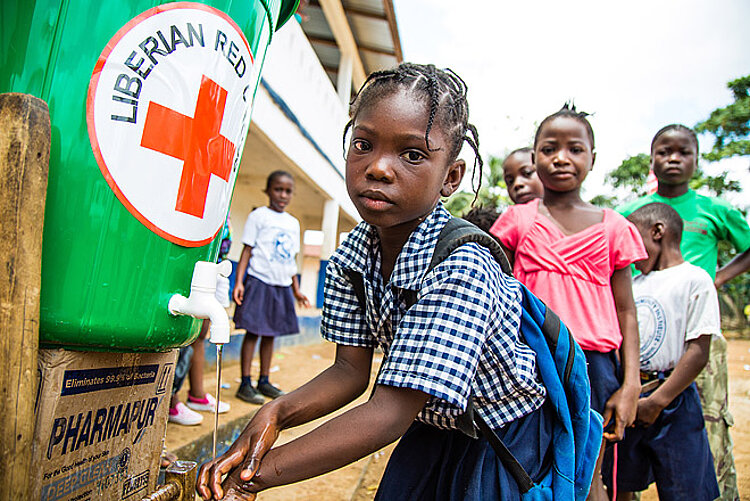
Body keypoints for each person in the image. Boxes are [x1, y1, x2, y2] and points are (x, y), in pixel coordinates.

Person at [197, 63, 553, 501]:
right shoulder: (354, 254)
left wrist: (253, 476)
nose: (379, 168)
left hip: (502, 438)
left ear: (452, 177)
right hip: (430, 427)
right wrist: (277, 411)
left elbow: (386, 414)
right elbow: (350, 371)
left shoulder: (462, 266)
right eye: (363, 145)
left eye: (412, 154)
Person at [489, 104, 646, 500]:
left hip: (596, 368)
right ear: (535, 155)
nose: (561, 158)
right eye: (549, 148)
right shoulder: (516, 221)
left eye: (575, 148)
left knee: (590, 472)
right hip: (529, 361)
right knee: (528, 463)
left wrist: (631, 384)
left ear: (593, 158)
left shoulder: (615, 227)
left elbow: (627, 311)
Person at [617, 124, 750, 501]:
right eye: (664, 152)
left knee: (706, 425)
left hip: (696, 333)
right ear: (651, 158)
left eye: (683, 152)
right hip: (645, 333)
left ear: (696, 159)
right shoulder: (629, 213)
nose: (672, 159)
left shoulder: (714, 209)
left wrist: (718, 278)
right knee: (632, 444)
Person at [604, 203, 719, 500]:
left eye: (634, 237)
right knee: (621, 483)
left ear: (657, 231)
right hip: (631, 397)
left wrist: (657, 401)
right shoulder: (634, 283)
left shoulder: (695, 279)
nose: (628, 250)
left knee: (684, 485)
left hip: (673, 399)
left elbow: (698, 350)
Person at [233, 171, 310, 405]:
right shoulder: (259, 216)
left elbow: (291, 260)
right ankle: (245, 383)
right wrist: (239, 282)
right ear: (268, 191)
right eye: (278, 189)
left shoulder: (293, 223)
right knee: (253, 332)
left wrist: (296, 289)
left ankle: (264, 380)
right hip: (259, 280)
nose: (282, 195)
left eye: (287, 191)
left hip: (282, 285)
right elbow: (246, 250)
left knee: (270, 334)